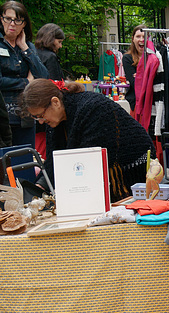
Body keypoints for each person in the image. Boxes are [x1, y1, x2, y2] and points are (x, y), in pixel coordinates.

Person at [20, 79, 156, 201]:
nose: (41, 121)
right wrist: (41, 186)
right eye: (37, 118)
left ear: (55, 102)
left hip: (132, 165)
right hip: (102, 166)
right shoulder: (55, 121)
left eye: (41, 116)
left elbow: (85, 162)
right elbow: (53, 161)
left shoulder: (92, 108)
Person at [0, 1, 47, 148]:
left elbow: (43, 76)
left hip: (25, 117)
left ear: (24, 24)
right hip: (2, 118)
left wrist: (25, 48)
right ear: (1, 19)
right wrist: (27, 83)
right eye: (8, 19)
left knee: (24, 164)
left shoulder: (28, 46)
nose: (12, 24)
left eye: (18, 20)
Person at [34, 23, 65, 158]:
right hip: (47, 110)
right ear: (51, 39)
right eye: (59, 42)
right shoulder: (50, 57)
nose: (60, 46)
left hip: (34, 108)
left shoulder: (33, 54)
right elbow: (55, 86)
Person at [122, 24, 146, 113]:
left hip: (153, 102)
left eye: (144, 36)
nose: (141, 39)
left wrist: (140, 75)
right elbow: (134, 83)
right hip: (136, 104)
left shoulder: (154, 57)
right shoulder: (127, 58)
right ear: (133, 39)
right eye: (138, 36)